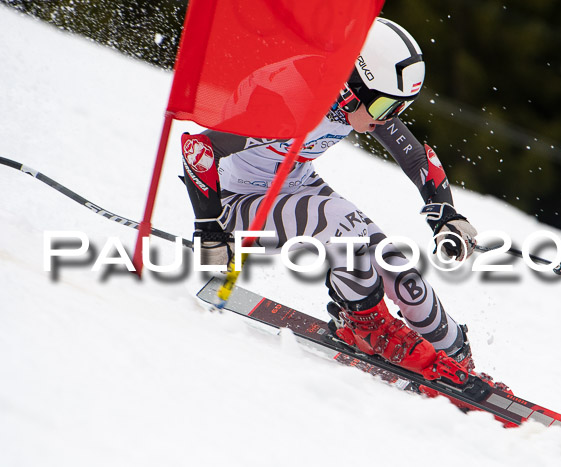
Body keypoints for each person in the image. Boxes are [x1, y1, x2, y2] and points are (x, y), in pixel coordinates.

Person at [182, 17, 505, 388]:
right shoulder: (288, 97)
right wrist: (210, 233)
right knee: (343, 226)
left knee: (398, 268)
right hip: (239, 202)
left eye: (399, 109)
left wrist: (446, 214)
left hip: (296, 185)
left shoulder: (353, 96)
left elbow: (418, 159)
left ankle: (456, 358)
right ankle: (366, 325)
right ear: (353, 87)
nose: (389, 119)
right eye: (385, 107)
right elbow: (199, 148)